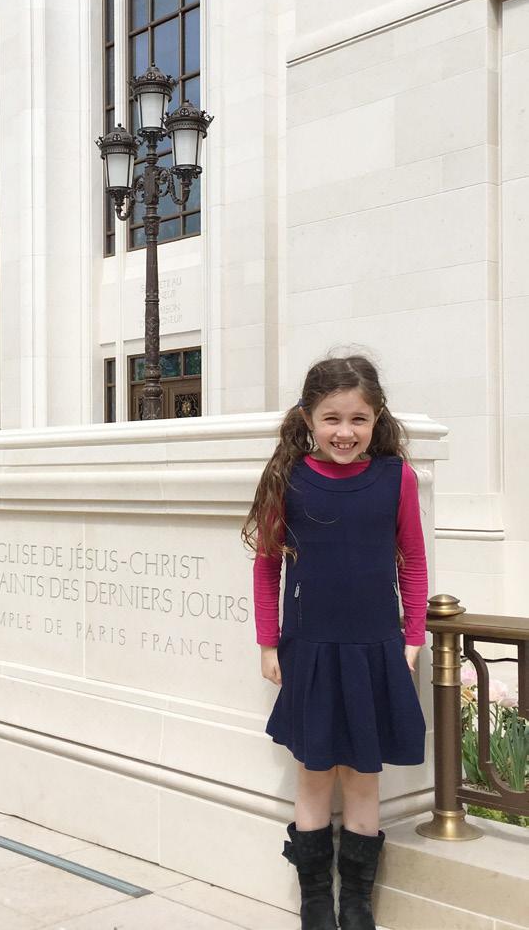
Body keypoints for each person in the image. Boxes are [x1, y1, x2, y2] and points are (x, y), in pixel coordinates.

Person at [243, 355, 428, 930]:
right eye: (331, 418)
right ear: (307, 418)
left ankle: (356, 906)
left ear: (377, 420)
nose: (345, 432)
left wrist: (413, 637)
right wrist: (269, 644)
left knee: (363, 779)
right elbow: (267, 566)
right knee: (314, 774)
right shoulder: (290, 478)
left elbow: (414, 561)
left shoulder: (396, 477)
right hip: (313, 651)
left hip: (375, 648)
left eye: (358, 419)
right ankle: (316, 903)